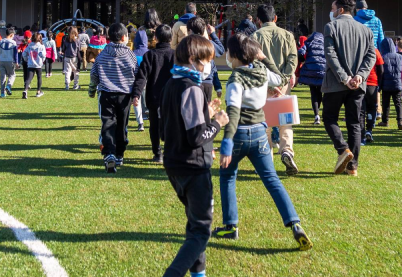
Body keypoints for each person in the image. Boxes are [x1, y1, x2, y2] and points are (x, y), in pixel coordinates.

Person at [212, 32, 312, 251]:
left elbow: (234, 113)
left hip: (239, 135)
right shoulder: (261, 71)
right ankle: (295, 223)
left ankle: (230, 225)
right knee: (272, 180)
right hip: (260, 133)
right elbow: (282, 77)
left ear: (234, 55)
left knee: (228, 177)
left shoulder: (235, 80)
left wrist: (226, 143)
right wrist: (264, 57)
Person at [160, 34, 228, 277]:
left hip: (174, 164)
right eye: (207, 59)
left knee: (194, 224)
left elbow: (173, 125)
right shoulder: (192, 87)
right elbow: (197, 137)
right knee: (201, 231)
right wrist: (217, 123)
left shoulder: (172, 82)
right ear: (193, 59)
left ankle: (199, 273)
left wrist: (205, 114)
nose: (209, 64)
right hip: (193, 167)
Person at [322, 0, 375, 176]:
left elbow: (331, 56)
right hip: (358, 85)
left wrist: (345, 78)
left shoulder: (331, 27)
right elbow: (371, 56)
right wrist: (360, 76)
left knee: (329, 118)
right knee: (354, 123)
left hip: (336, 84)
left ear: (341, 9)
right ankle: (353, 167)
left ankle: (343, 149)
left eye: (333, 8)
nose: (331, 11)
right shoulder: (366, 30)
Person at [251, 4, 299, 175]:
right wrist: (283, 81)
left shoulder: (254, 36)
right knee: (285, 122)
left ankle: (266, 160)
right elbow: (293, 60)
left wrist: (272, 83)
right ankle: (287, 150)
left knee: (264, 124)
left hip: (262, 85)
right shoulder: (287, 35)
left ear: (258, 20)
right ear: (275, 18)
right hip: (283, 86)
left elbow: (254, 64)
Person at [92, 23, 138, 173]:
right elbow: (136, 72)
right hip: (124, 96)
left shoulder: (103, 54)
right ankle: (119, 153)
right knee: (122, 125)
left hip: (106, 94)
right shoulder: (130, 54)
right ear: (124, 37)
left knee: (108, 124)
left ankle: (109, 153)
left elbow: (94, 74)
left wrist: (93, 89)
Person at [133, 23, 176, 163]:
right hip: (172, 98)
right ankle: (169, 152)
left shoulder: (150, 55)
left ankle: (157, 153)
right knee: (171, 125)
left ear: (155, 37)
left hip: (154, 97)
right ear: (171, 38)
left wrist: (136, 94)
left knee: (154, 127)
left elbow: (141, 77)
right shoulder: (175, 55)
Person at [296, 29, 326, 125]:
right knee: (321, 92)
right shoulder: (325, 43)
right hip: (322, 70)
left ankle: (316, 115)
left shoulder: (308, 43)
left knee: (313, 93)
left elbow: (301, 52)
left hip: (310, 71)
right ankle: (321, 113)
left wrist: (302, 60)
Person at [377, 37, 402, 131]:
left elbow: (380, 73)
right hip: (398, 84)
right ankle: (400, 121)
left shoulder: (383, 57)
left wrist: (379, 87)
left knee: (386, 103)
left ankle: (385, 121)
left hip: (386, 85)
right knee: (398, 103)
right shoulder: (400, 57)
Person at [22, 32, 47, 99]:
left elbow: (24, 53)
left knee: (29, 78)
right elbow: (43, 55)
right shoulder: (41, 46)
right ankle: (38, 91)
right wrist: (42, 60)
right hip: (38, 65)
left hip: (30, 64)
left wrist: (26, 59)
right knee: (39, 77)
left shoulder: (29, 46)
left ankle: (25, 90)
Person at [0, 27, 18, 98]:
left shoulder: (1, 41)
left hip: (1, 60)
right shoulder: (13, 43)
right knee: (12, 75)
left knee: (2, 77)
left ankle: (2, 93)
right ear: (11, 35)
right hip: (9, 61)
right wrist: (17, 62)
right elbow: (15, 54)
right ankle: (8, 86)